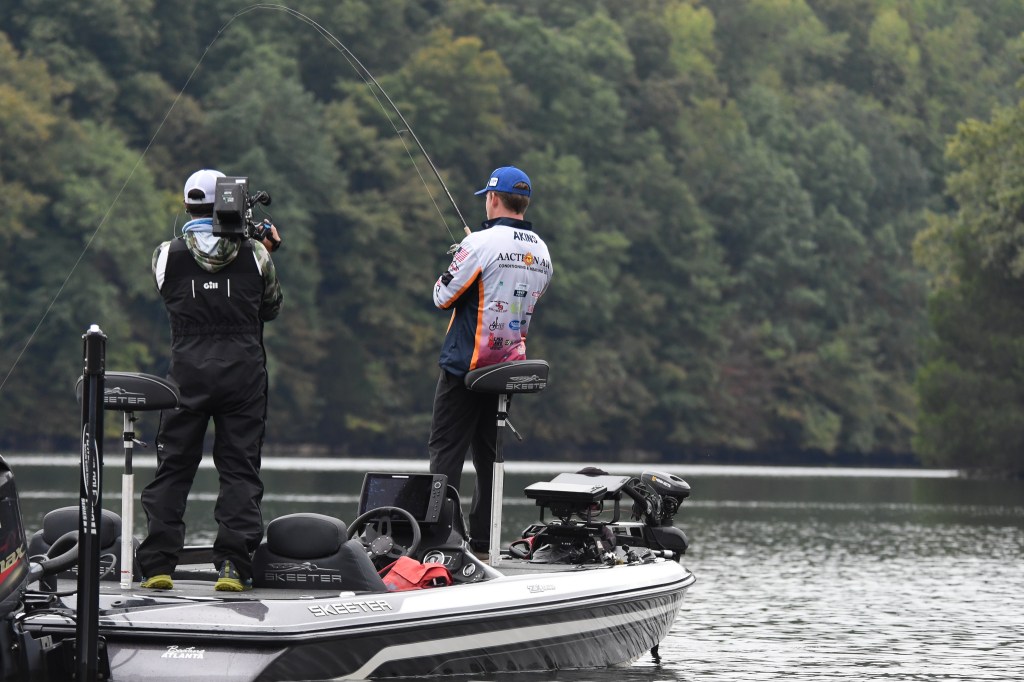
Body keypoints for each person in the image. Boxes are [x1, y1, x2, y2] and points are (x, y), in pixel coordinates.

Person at [137, 168, 283, 592]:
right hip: (243, 374)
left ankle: (158, 565)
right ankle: (233, 566)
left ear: (187, 206)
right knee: (240, 469)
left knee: (173, 467)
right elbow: (270, 307)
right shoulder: (256, 255)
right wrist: (264, 249)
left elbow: (169, 294)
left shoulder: (165, 255)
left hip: (186, 375)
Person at [428, 166, 554, 557]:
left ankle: (441, 539)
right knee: (488, 455)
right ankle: (484, 541)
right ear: (524, 203)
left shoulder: (479, 243)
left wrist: (460, 258)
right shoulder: (542, 252)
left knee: (446, 452)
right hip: (506, 368)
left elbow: (442, 296)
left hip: (465, 366)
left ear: (493, 198)